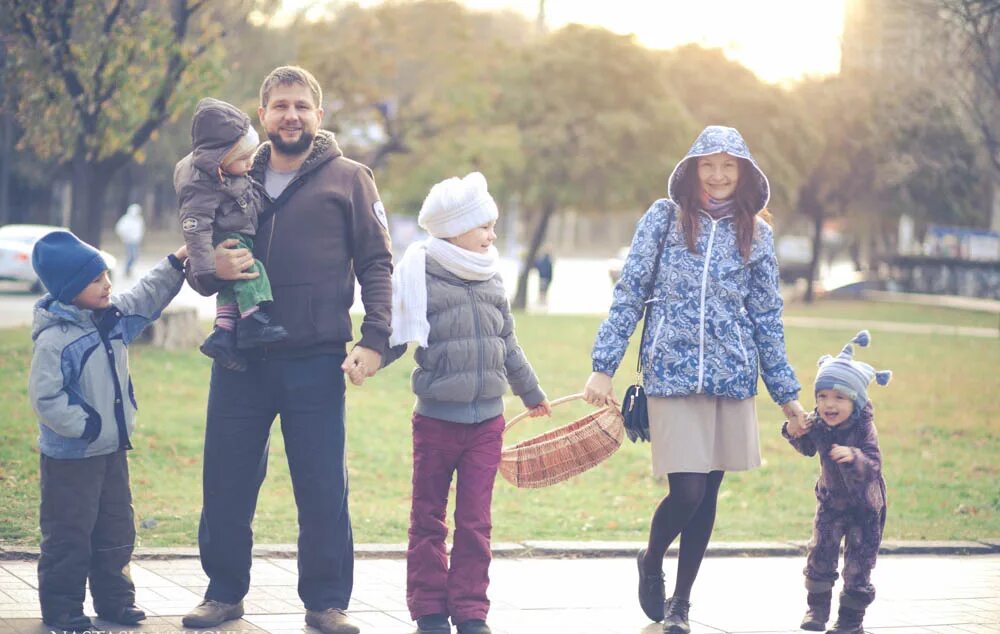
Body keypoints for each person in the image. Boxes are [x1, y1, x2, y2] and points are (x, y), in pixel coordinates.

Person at [181, 66, 393, 634]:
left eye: (301, 105)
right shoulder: (230, 175)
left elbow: (377, 263)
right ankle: (223, 594)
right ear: (262, 114)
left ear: (318, 116)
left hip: (315, 357)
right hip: (239, 356)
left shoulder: (350, 178)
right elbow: (199, 253)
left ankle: (326, 603)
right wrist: (210, 272)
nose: (290, 115)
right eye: (279, 106)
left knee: (322, 487)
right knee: (224, 481)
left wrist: (375, 341)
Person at [582, 125, 808, 634]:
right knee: (685, 492)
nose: (719, 175)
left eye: (729, 166)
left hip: (732, 377)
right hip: (672, 373)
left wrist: (788, 397)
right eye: (709, 165)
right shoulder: (663, 219)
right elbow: (630, 291)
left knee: (708, 496)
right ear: (692, 169)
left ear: (744, 173)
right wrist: (604, 364)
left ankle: (682, 605)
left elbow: (767, 316)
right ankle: (651, 558)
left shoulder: (757, 232)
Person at [384, 172, 551, 634]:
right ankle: (430, 609)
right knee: (428, 517)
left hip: (487, 424)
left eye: (492, 225)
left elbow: (508, 343)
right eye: (483, 226)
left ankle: (472, 610)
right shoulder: (421, 274)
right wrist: (367, 357)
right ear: (454, 229)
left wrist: (531, 391)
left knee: (475, 523)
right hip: (437, 421)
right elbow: (397, 334)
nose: (491, 235)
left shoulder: (491, 276)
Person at [28, 231, 187, 632]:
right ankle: (62, 609)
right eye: (96, 279)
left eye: (106, 276)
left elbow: (147, 296)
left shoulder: (114, 320)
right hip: (71, 458)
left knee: (116, 529)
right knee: (69, 535)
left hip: (112, 453)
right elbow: (46, 399)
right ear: (68, 289)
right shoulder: (54, 340)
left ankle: (116, 602)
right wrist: (88, 427)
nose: (107, 285)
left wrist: (176, 261)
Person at [783, 330, 890, 634]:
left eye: (839, 397)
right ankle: (816, 611)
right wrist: (796, 430)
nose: (829, 404)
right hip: (830, 503)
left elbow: (874, 463)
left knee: (859, 564)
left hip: (865, 509)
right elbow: (806, 449)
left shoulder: (864, 425)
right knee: (821, 554)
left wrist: (854, 456)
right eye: (822, 396)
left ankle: (850, 621)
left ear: (855, 402)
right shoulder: (819, 422)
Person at [175, 97, 288, 372]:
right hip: (228, 239)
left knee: (231, 287)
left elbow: (250, 196)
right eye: (243, 158)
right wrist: (207, 268)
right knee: (251, 270)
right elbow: (196, 228)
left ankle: (223, 332)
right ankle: (251, 321)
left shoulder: (232, 172)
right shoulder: (203, 184)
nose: (250, 163)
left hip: (238, 234)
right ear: (220, 158)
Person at [114, 202, 145, 277]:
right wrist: (125, 236)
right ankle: (127, 270)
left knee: (135, 256)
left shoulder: (139, 220)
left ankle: (128, 269)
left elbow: (141, 229)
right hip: (128, 241)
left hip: (135, 241)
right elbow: (119, 229)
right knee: (131, 256)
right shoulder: (126, 219)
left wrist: (139, 238)